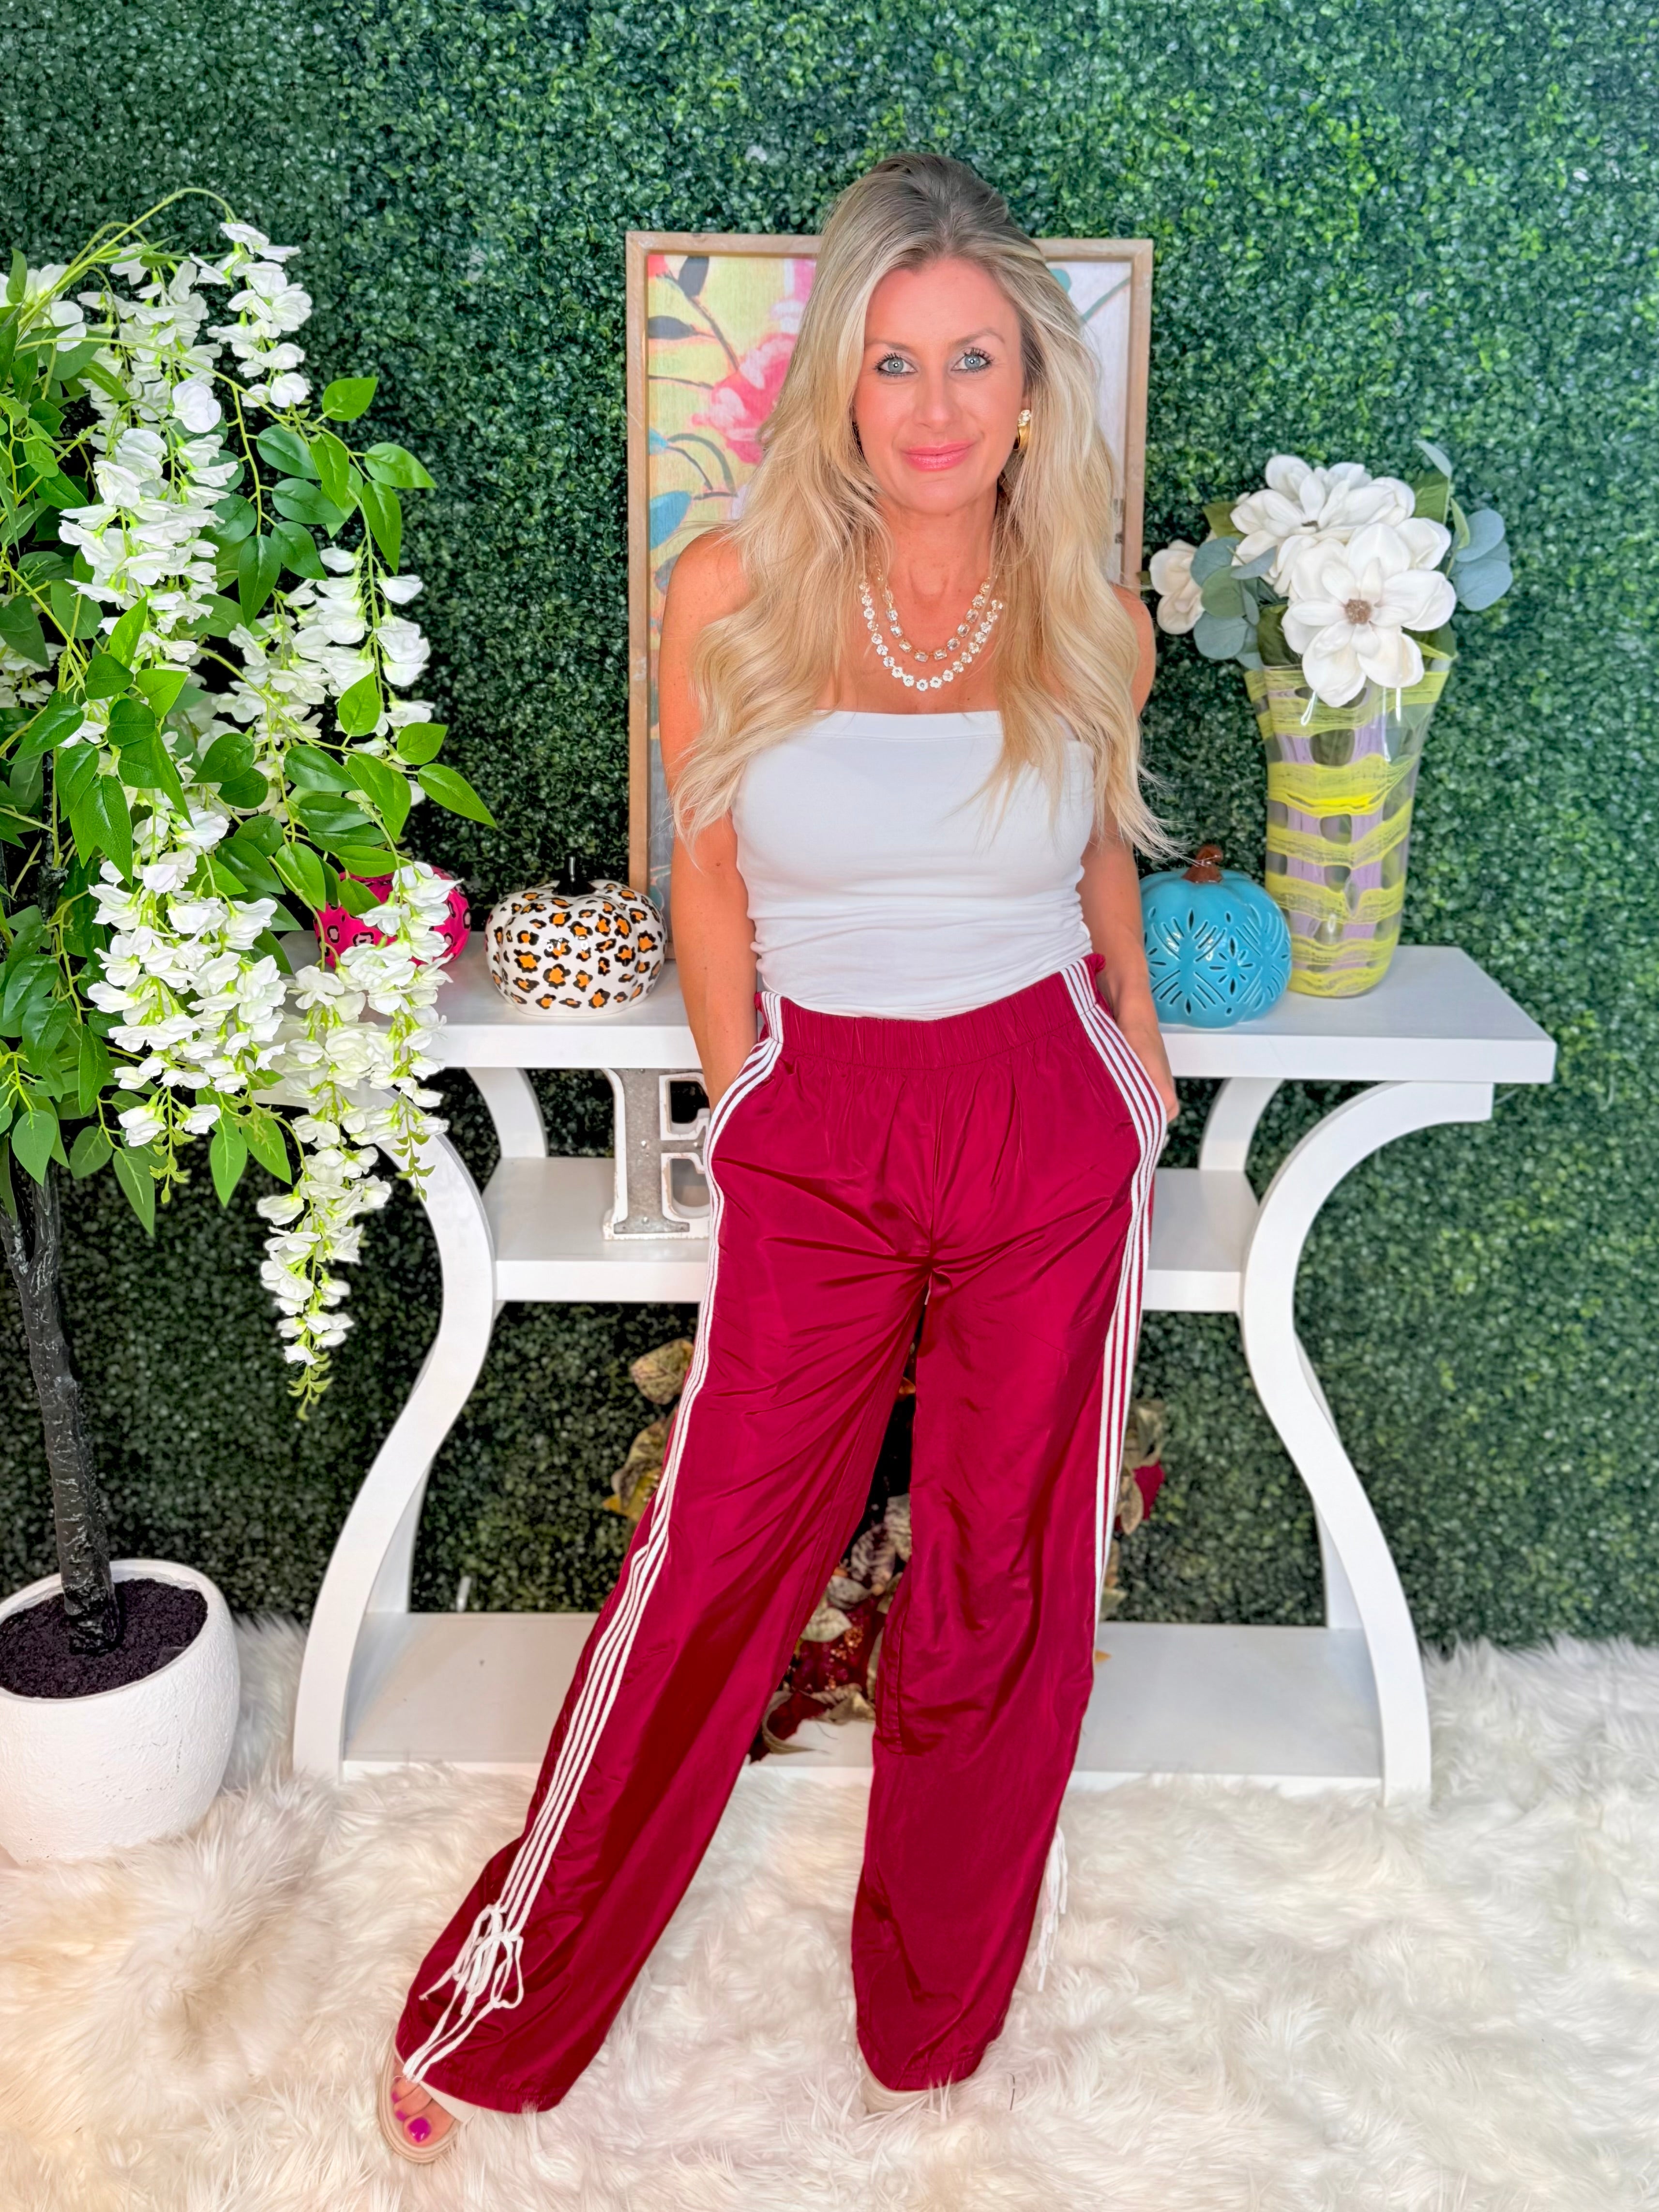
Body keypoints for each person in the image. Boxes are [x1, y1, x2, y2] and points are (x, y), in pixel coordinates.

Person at [378, 150, 1177, 2161]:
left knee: (1001, 1580)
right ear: (836, 381)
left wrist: (1136, 1048)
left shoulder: (1085, 613)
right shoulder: (729, 592)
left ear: (1030, 384)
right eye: (892, 361)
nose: (933, 405)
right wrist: (746, 1104)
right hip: (822, 1122)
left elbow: (1094, 849)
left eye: (972, 359)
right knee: (712, 1555)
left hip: (1039, 1120)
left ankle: (932, 2017)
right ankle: (506, 2005)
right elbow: (710, 881)